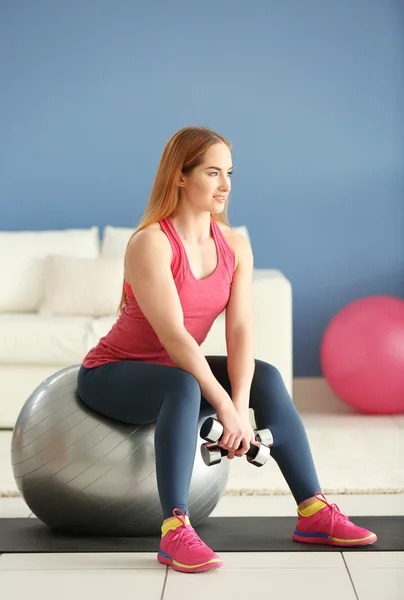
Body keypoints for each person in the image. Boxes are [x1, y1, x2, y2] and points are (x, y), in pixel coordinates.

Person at [77, 125, 377, 574]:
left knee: (266, 375)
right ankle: (175, 530)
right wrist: (221, 404)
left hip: (178, 373)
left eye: (230, 173)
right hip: (114, 372)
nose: (226, 185)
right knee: (182, 386)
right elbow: (175, 336)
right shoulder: (151, 243)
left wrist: (238, 407)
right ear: (181, 176)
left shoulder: (235, 245)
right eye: (213, 173)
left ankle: (313, 512)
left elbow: (239, 330)